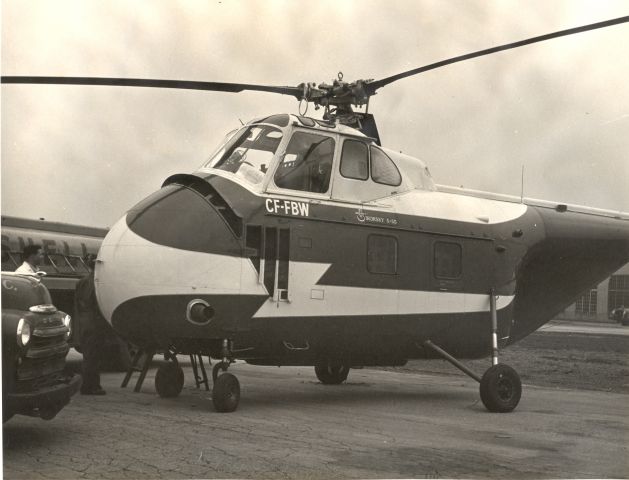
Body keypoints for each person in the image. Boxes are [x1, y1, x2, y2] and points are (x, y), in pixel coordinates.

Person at [74, 254, 107, 395]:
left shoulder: (81, 281)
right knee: (93, 356)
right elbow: (97, 304)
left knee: (88, 356)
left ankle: (89, 385)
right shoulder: (96, 282)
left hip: (84, 321)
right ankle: (91, 386)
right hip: (94, 323)